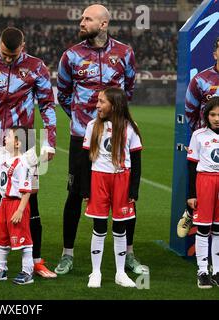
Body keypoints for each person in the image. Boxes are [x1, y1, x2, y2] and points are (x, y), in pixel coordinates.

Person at [0, 26, 57, 278]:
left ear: (22, 46)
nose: (7, 59)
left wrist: (50, 139)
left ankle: (36, 261)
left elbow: (48, 104)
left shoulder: (36, 67)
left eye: (12, 55)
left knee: (30, 201)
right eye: (4, 54)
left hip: (24, 143)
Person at [56, 4, 141, 275]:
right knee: (74, 194)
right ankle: (67, 253)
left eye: (87, 19)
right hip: (82, 137)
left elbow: (129, 89)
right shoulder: (70, 56)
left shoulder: (125, 53)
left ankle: (128, 253)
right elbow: (64, 95)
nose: (82, 22)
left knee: (126, 194)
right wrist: (85, 123)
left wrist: (113, 123)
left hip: (117, 137)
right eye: (81, 18)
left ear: (103, 24)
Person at [81, 87, 141, 288]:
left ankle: (120, 273)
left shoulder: (129, 128)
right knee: (98, 227)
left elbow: (137, 161)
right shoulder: (92, 126)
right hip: (99, 180)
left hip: (122, 180)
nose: (97, 105)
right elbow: (84, 160)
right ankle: (95, 272)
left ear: (114, 105)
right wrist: (85, 188)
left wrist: (134, 189)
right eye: (98, 101)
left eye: (101, 101)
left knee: (120, 227)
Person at [0, 127, 36, 285]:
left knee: (23, 239)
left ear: (18, 143)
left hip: (17, 204)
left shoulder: (22, 163)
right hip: (4, 204)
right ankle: (0, 270)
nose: (5, 139)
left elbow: (26, 190)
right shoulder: (4, 158)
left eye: (9, 137)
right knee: (1, 238)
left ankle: (27, 271)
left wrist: (20, 210)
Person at [178, 37, 219, 238]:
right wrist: (203, 137)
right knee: (202, 185)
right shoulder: (201, 80)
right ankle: (190, 211)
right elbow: (190, 111)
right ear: (215, 54)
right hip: (208, 146)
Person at [186, 96, 219, 288]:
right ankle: (202, 270)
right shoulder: (199, 135)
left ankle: (216, 271)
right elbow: (191, 167)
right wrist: (191, 194)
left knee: (218, 229)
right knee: (204, 228)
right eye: (212, 114)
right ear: (206, 116)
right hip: (205, 182)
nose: (216, 118)